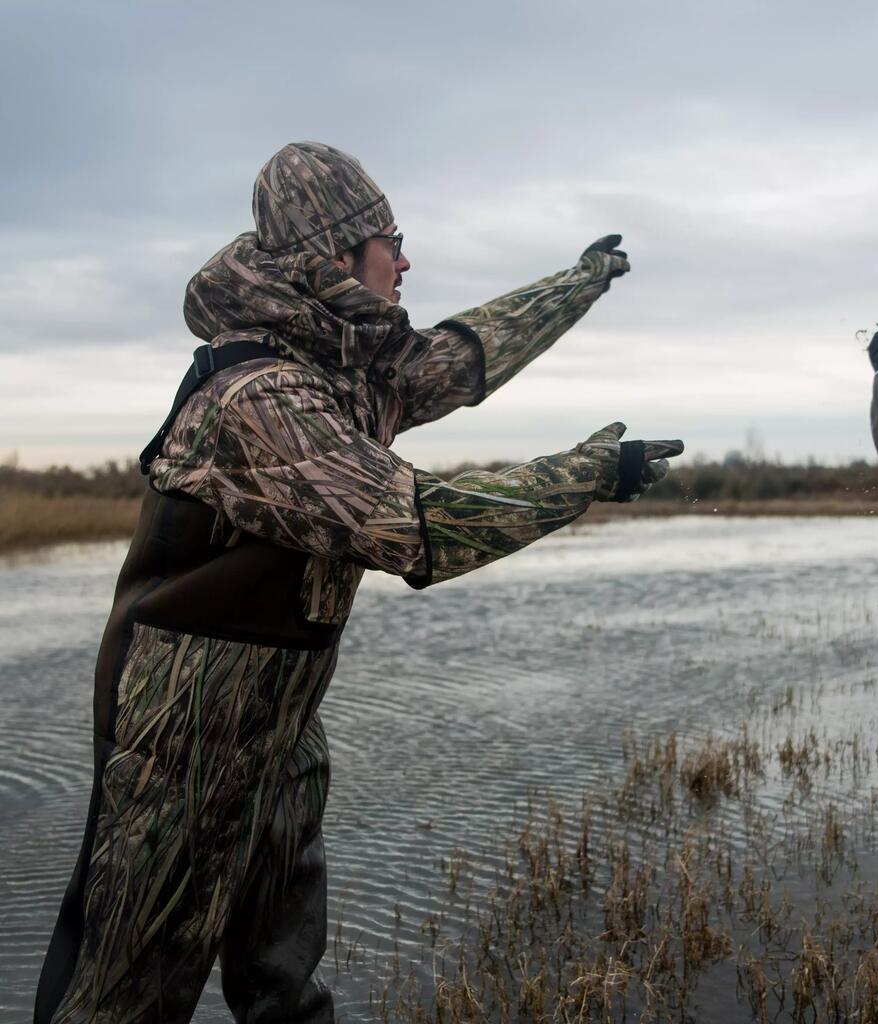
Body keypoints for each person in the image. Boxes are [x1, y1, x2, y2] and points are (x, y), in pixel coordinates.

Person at [34, 141, 684, 1023]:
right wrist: (588, 474)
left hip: (279, 726)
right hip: (179, 743)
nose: (406, 259)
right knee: (125, 997)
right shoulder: (263, 397)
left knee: (286, 988)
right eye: (391, 240)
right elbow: (412, 522)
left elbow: (459, 359)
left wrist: (578, 282)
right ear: (334, 259)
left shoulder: (339, 370)